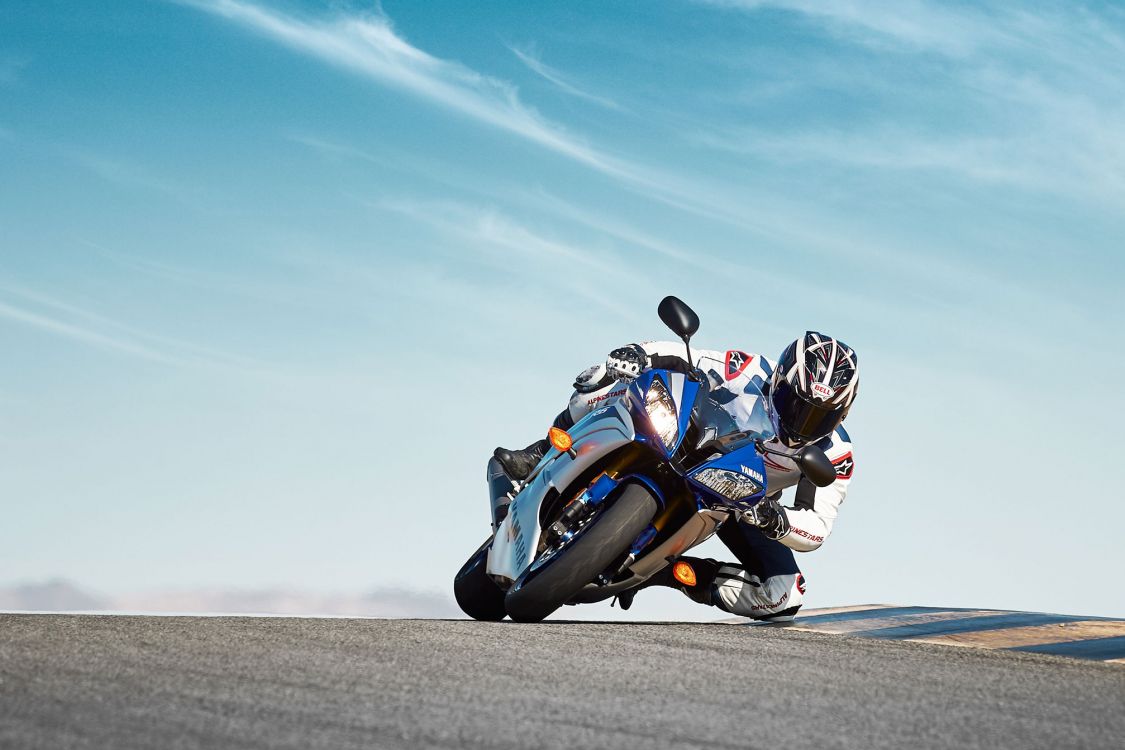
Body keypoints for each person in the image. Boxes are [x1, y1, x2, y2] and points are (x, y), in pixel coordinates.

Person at [491, 332, 858, 621]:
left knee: (784, 593)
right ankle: (542, 452)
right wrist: (638, 353)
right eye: (796, 405)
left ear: (841, 414)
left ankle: (668, 573)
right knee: (607, 381)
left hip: (737, 499)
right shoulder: (750, 371)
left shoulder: (835, 452)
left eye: (818, 417)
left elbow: (817, 527)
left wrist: (774, 519)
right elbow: (689, 355)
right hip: (684, 437)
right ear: (780, 381)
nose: (800, 422)